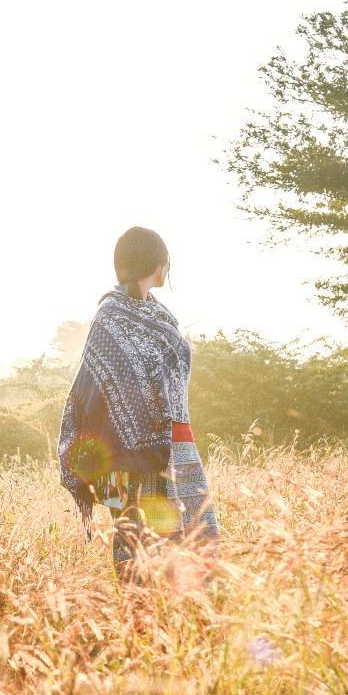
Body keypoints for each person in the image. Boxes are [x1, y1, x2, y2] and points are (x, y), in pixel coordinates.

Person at [58, 227, 219, 587]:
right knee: (139, 552)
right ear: (157, 265)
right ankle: (141, 635)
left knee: (198, 542)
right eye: (167, 261)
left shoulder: (160, 316)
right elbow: (92, 387)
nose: (169, 268)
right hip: (130, 456)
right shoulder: (110, 318)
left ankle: (189, 632)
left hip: (178, 445)